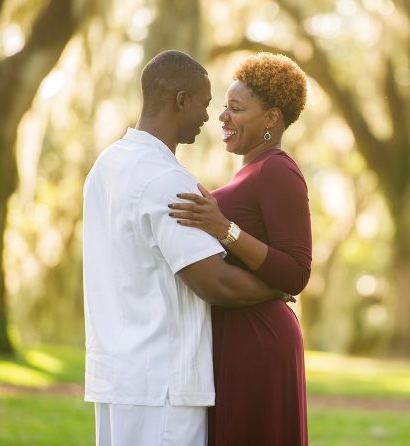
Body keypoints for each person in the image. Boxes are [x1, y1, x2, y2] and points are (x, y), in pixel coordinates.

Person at [82, 50, 288, 446]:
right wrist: (275, 286)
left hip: (116, 377)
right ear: (181, 100)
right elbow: (215, 283)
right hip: (164, 384)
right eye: (204, 104)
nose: (209, 117)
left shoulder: (107, 165)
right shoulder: (166, 179)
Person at [167, 52, 313, 446]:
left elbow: (296, 272)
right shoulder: (251, 170)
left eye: (236, 108)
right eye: (224, 106)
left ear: (271, 118)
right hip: (233, 334)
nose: (222, 117)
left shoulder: (278, 171)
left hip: (258, 340)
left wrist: (223, 228)